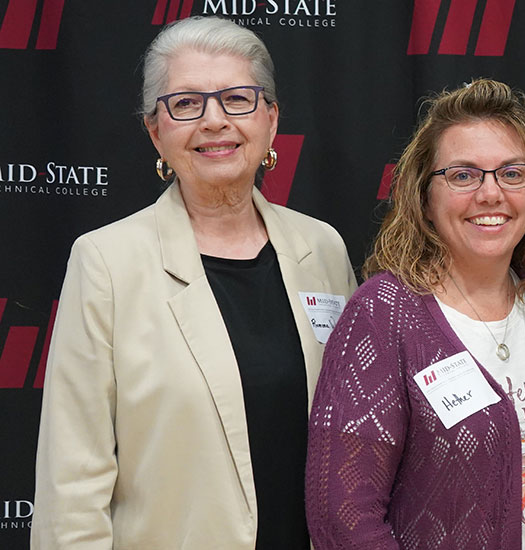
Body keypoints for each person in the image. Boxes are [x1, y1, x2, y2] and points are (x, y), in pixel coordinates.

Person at [31, 16, 357, 550]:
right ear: (155, 131)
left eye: (238, 99)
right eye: (185, 104)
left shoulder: (322, 248)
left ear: (271, 121)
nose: (214, 121)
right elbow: (72, 483)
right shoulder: (106, 263)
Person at [304, 78, 525, 550]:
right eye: (463, 175)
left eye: (511, 173)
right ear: (425, 200)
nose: (491, 194)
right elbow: (344, 517)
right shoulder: (382, 315)